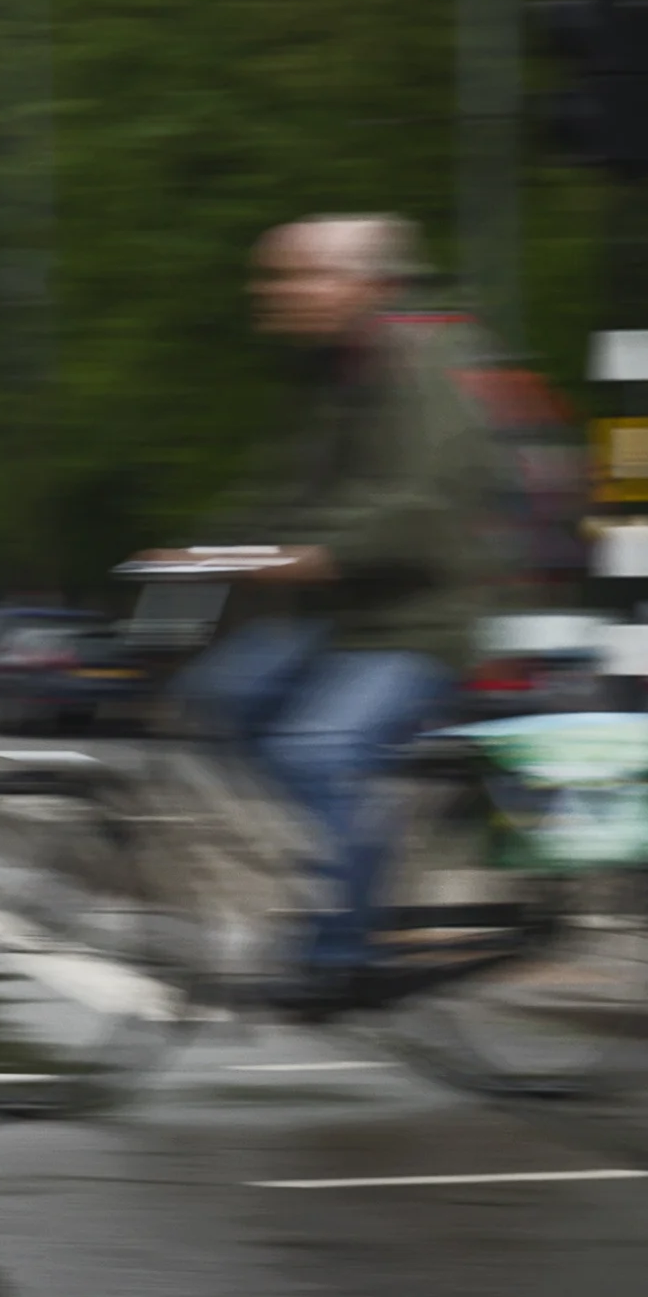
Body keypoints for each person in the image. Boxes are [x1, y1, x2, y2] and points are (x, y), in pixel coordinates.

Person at [137, 214, 510, 1008]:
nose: (272, 292)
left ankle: (346, 948)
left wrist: (316, 556)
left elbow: (423, 502)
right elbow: (281, 496)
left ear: (366, 284)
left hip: (420, 621)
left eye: (297, 275)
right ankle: (351, 852)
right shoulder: (328, 376)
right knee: (218, 698)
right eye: (271, 276)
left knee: (314, 752)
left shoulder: (425, 361)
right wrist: (208, 553)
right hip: (343, 620)